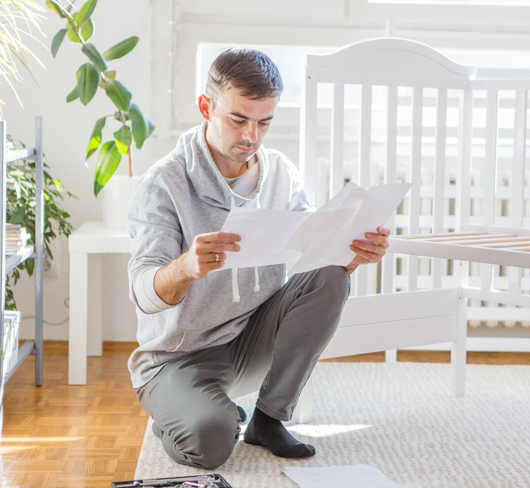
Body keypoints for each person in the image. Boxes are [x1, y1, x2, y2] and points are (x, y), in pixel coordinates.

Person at [126, 47, 390, 469]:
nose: (251, 136)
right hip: (177, 358)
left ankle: (267, 420)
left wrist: (353, 254)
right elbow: (142, 291)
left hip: (250, 342)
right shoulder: (163, 184)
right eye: (238, 119)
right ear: (205, 107)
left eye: (264, 122)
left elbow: (316, 254)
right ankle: (177, 417)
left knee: (332, 275)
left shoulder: (281, 173)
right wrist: (185, 267)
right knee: (209, 445)